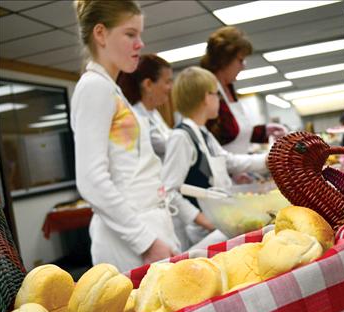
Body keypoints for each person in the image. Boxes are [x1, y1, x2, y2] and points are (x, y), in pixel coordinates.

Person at [71, 0, 180, 271]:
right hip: (130, 239)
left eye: (139, 35)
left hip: (142, 226)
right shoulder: (94, 87)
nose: (140, 44)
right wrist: (146, 242)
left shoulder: (110, 89)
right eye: (130, 34)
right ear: (101, 34)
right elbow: (91, 180)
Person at [162, 66, 268, 249]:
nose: (219, 100)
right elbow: (169, 191)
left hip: (219, 223)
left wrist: (269, 159)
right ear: (205, 98)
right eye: (216, 94)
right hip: (202, 234)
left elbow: (230, 161)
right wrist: (207, 222)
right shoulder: (181, 137)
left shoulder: (203, 134)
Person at [200, 26, 286, 155]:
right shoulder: (209, 92)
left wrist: (264, 131)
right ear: (224, 60)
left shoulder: (229, 89)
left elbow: (236, 132)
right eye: (240, 60)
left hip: (238, 169)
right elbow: (214, 145)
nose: (243, 66)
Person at [117, 54, 173, 159]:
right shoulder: (135, 118)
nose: (170, 87)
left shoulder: (154, 113)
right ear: (148, 84)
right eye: (167, 82)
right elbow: (172, 145)